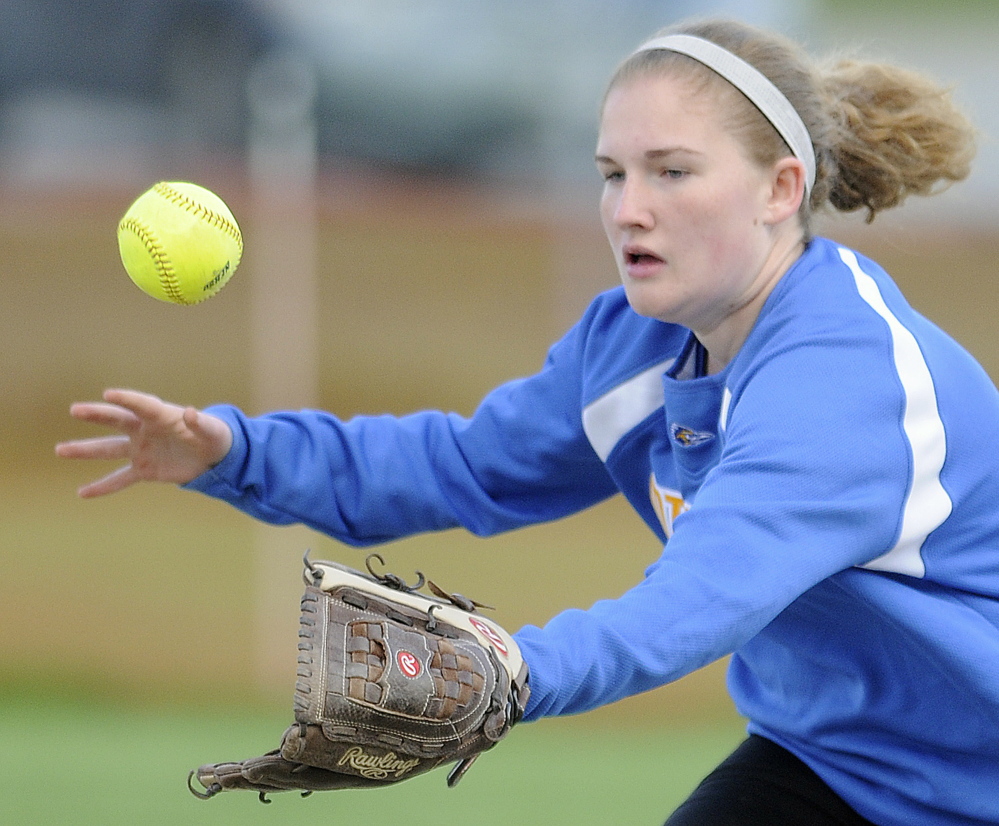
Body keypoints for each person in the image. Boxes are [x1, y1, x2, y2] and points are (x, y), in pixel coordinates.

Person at [56, 17, 993, 826]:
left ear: (781, 190)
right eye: (611, 172)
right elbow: (461, 467)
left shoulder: (845, 380)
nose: (630, 209)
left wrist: (511, 670)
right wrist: (235, 450)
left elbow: (694, 601)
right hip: (836, 765)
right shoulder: (632, 344)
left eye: (672, 171)